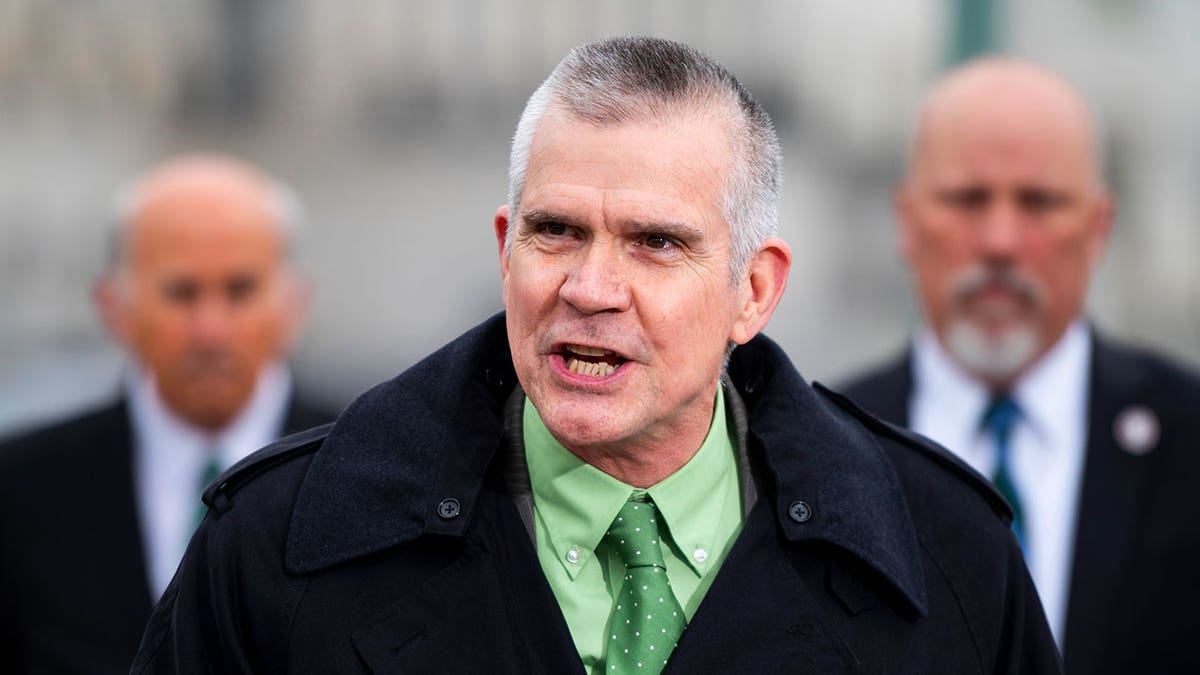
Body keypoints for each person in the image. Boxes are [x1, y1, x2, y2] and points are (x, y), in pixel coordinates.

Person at [132, 39, 1059, 674]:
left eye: (655, 242)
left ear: (755, 291)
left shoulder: (952, 561)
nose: (590, 285)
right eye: (556, 231)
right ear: (505, 248)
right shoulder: (270, 554)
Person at [839, 58, 1200, 675]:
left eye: (1038, 201)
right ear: (907, 222)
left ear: (1098, 228)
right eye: (967, 198)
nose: (1001, 240)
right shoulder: (819, 450)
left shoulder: (1188, 439)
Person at [0, 154, 335, 674]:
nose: (211, 330)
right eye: (181, 292)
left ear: (294, 303)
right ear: (114, 306)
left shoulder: (365, 465)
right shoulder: (20, 490)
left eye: (240, 290)